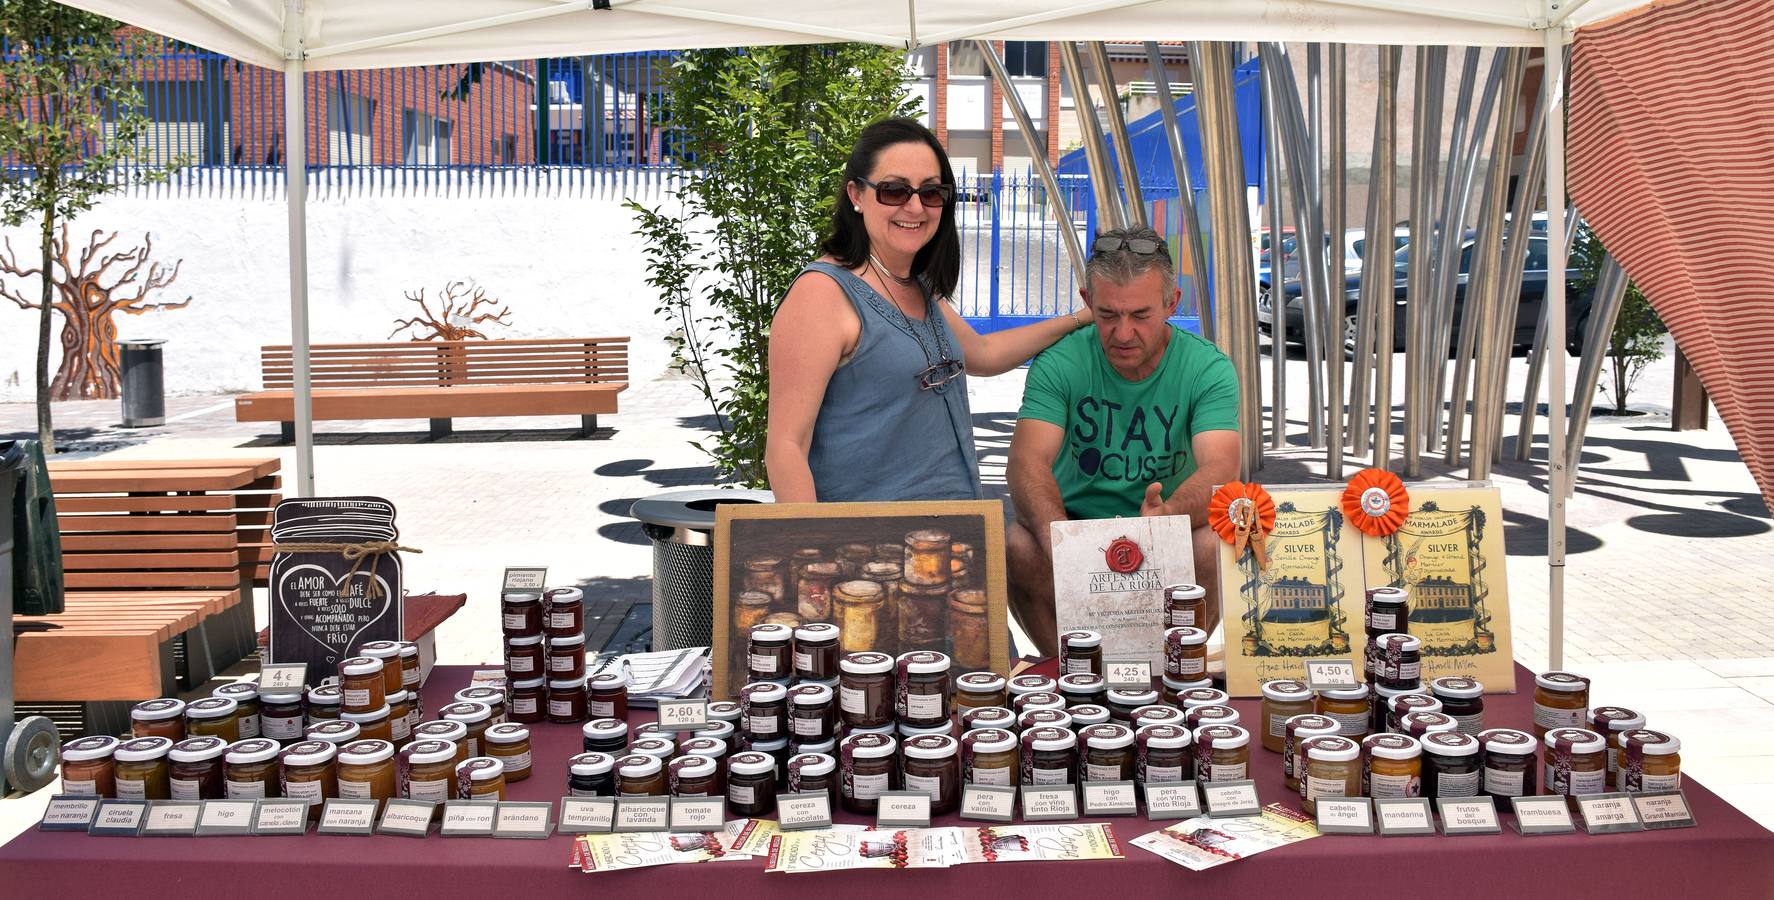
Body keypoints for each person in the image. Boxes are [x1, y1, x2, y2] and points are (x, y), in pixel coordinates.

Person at [767, 118, 1094, 503]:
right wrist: (813, 553)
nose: (915, 206)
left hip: (948, 541)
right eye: (894, 190)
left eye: (932, 192)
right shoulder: (822, 294)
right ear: (856, 194)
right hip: (869, 548)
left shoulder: (915, 284)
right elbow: (786, 447)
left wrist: (1084, 317)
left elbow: (983, 354)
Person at [1005, 225, 1242, 657]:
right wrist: (1055, 535)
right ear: (1087, 301)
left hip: (1168, 532)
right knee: (1016, 543)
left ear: (1171, 303)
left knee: (1213, 541)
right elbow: (1026, 461)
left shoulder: (1207, 368)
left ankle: (1177, 666)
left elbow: (1222, 468)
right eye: (1109, 315)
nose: (1123, 333)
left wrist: (1168, 516)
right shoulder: (1060, 361)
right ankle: (1066, 672)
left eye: (1140, 315)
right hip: (1075, 528)